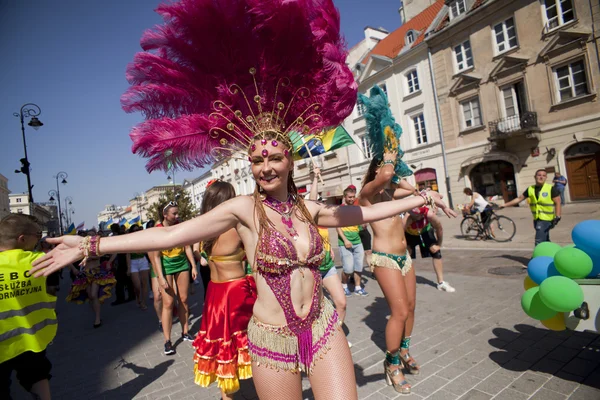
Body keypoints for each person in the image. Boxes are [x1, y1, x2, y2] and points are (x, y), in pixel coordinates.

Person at [31, 1, 452, 397]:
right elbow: (170, 235)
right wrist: (90, 244)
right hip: (271, 343)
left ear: (290, 159)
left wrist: (421, 200)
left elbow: (366, 210)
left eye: (272, 157)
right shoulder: (241, 210)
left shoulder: (310, 208)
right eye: (255, 159)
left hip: (323, 328)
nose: (264, 166)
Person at [357, 85, 457, 394]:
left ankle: (403, 350)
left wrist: (436, 199)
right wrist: (389, 144)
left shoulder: (395, 191)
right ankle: (391, 364)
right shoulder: (367, 196)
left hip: (405, 258)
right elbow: (386, 177)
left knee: (411, 308)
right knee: (398, 312)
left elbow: (418, 191)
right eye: (392, 166)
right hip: (385, 259)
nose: (396, 171)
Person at [192, 180, 256, 400]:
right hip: (237, 291)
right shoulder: (236, 227)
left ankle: (226, 396)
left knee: (222, 345)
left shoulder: (202, 230)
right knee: (253, 342)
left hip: (214, 294)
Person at [0, 214, 57, 400]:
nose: (39, 238)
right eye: (37, 234)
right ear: (22, 238)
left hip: (3, 344)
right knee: (38, 377)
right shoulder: (39, 260)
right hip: (32, 338)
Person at [153, 201, 197, 355]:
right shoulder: (158, 230)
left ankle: (185, 332)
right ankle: (167, 341)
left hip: (182, 264)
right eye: (174, 213)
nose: (177, 216)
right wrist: (161, 277)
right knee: (168, 303)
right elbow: (156, 257)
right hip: (166, 266)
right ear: (165, 215)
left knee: (184, 299)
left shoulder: (180, 226)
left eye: (178, 213)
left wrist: (193, 265)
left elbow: (187, 247)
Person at [309, 167, 347, 324]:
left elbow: (326, 239)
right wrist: (316, 178)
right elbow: (311, 202)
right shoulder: (309, 220)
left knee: (341, 304)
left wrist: (330, 248)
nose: (321, 204)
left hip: (328, 266)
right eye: (319, 202)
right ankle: (323, 341)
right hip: (314, 269)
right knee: (318, 308)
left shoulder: (324, 223)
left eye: (322, 202)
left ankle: (335, 336)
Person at [66, 230, 116, 328]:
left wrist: (109, 262)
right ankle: (97, 316)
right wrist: (73, 269)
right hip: (85, 273)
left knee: (93, 294)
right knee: (90, 296)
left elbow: (114, 251)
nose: (91, 236)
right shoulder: (82, 247)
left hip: (97, 272)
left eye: (93, 234)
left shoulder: (99, 245)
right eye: (89, 234)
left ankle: (97, 318)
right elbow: (68, 257)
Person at [501, 169, 561, 245]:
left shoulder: (551, 188)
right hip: (536, 219)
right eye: (539, 175)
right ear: (535, 177)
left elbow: (558, 202)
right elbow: (519, 198)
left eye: (543, 175)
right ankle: (552, 254)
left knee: (539, 241)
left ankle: (537, 256)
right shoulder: (530, 189)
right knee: (545, 240)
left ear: (546, 178)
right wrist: (505, 205)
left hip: (546, 219)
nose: (541, 177)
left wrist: (558, 216)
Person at [405, 206, 455, 292]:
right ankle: (407, 282)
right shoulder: (407, 218)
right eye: (415, 217)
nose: (418, 218)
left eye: (420, 216)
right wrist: (405, 246)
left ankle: (441, 283)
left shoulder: (430, 215)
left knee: (436, 253)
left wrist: (439, 245)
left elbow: (439, 228)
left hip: (425, 231)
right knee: (406, 256)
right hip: (409, 234)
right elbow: (399, 234)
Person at [337, 185, 367, 296]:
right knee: (348, 269)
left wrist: (362, 226)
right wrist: (345, 240)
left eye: (353, 197)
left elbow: (357, 223)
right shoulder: (340, 209)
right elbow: (337, 226)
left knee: (359, 266)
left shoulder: (356, 208)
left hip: (357, 241)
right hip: (345, 242)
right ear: (345, 197)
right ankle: (344, 286)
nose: (351, 199)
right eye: (349, 197)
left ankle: (358, 287)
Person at [126, 224, 150, 310]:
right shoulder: (129, 241)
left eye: (137, 230)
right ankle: (138, 296)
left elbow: (147, 251)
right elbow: (128, 255)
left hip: (143, 261)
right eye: (134, 230)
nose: (136, 231)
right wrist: (128, 268)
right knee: (137, 285)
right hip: (133, 263)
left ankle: (143, 302)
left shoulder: (143, 239)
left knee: (144, 283)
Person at [110, 224, 134, 306]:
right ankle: (130, 296)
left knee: (120, 281)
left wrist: (110, 261)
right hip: (122, 261)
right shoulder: (121, 235)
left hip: (121, 261)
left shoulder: (118, 237)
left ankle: (122, 298)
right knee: (126, 280)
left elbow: (123, 252)